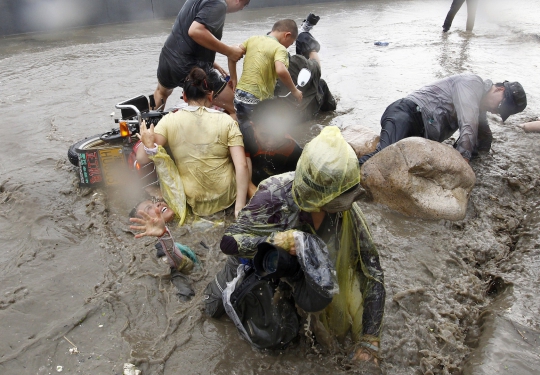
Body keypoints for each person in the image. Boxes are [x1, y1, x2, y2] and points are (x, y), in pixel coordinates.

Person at [205, 126, 386, 365]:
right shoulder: (273, 196)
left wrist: (369, 339)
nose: (342, 206)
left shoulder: (346, 211)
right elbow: (229, 242)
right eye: (333, 200)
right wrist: (274, 241)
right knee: (266, 332)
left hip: (301, 275)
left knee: (333, 324)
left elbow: (371, 270)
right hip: (262, 264)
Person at [137, 67, 250, 218]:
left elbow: (142, 158)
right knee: (245, 159)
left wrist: (147, 142)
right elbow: (241, 166)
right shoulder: (227, 121)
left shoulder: (170, 120)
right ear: (210, 96)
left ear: (184, 97)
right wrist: (239, 207)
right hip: (226, 197)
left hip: (192, 200)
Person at [359, 74, 527, 164]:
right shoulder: (472, 83)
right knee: (381, 158)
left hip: (421, 134)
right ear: (499, 89)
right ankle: (337, 180)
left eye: (501, 113)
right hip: (408, 114)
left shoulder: (480, 109)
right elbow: (467, 124)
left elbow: (483, 138)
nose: (496, 112)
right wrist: (463, 162)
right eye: (500, 107)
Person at [154, 0, 250, 114]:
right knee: (237, 109)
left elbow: (186, 33)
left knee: (162, 93)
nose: (242, 9)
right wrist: (229, 52)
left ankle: (147, 127)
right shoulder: (219, 4)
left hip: (167, 59)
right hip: (189, 65)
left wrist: (212, 63)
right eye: (244, 5)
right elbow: (195, 31)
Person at [228, 19, 303, 146]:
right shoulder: (280, 49)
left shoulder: (253, 39)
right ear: (287, 35)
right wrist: (294, 91)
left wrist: (233, 77)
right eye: (290, 43)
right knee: (267, 131)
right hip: (257, 99)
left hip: (239, 97)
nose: (289, 46)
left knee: (243, 128)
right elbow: (281, 70)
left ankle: (243, 147)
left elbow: (231, 54)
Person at [275, 13, 336, 121]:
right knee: (321, 84)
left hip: (271, 113)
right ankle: (331, 114)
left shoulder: (259, 58)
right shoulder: (295, 63)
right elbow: (317, 67)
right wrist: (308, 45)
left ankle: (303, 34)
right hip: (295, 116)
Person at [244, 98, 303, 196]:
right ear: (253, 126)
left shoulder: (293, 152)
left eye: (277, 135)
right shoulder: (245, 134)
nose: (271, 143)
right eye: (264, 135)